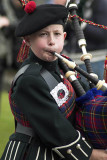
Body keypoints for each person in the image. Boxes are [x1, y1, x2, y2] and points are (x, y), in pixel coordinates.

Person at [1, 1, 107, 160]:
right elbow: (55, 128)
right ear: (28, 40)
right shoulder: (29, 79)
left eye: (57, 34)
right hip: (34, 152)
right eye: (43, 34)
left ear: (64, 36)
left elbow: (83, 98)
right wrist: (91, 154)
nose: (52, 41)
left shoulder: (63, 64)